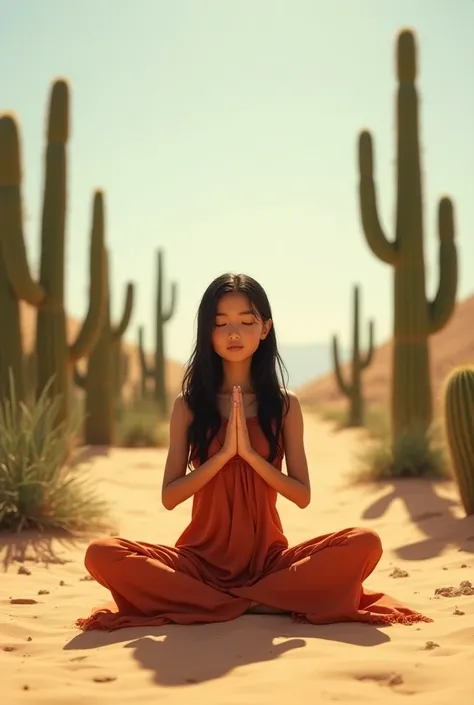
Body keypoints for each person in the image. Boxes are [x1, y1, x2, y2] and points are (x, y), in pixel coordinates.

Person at [76, 273, 432, 631]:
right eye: (221, 323)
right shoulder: (188, 406)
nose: (234, 333)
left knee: (364, 542)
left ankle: (225, 602)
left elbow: (302, 495)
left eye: (246, 322)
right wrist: (222, 456)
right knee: (102, 553)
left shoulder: (284, 405)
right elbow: (170, 497)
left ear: (264, 329)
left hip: (269, 563)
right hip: (198, 564)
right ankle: (260, 602)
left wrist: (250, 456)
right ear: (207, 332)